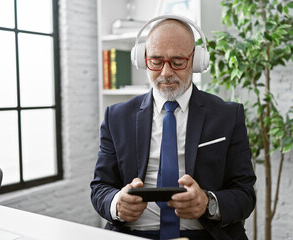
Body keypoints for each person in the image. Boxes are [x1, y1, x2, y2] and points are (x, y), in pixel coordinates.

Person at [90, 15, 256, 240]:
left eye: (178, 61)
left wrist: (208, 203)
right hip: (134, 234)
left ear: (196, 60)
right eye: (156, 61)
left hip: (204, 235)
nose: (166, 73)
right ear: (142, 59)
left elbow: (245, 194)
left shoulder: (228, 115)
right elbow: (100, 187)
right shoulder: (116, 117)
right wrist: (116, 204)